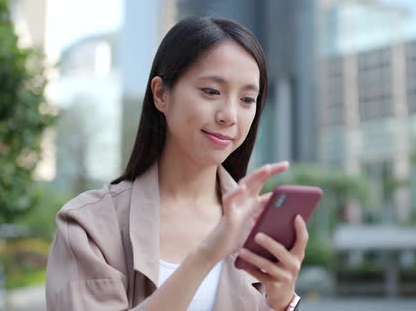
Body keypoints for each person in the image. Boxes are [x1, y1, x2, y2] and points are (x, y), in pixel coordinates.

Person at [46, 16, 306, 311]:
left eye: (247, 99)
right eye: (212, 91)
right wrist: (207, 254)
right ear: (160, 94)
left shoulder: (257, 229)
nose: (230, 115)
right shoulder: (89, 225)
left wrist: (283, 302)